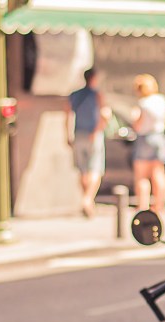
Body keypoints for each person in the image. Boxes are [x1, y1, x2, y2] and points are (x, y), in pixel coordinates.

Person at [66, 68, 109, 218]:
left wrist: (67, 134)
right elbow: (105, 114)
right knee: (95, 169)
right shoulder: (97, 94)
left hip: (79, 134)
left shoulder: (75, 95)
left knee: (83, 170)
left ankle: (88, 201)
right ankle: (88, 199)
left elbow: (68, 115)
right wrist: (97, 130)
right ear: (94, 78)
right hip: (93, 135)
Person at [132, 74, 165, 213]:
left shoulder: (142, 103)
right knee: (158, 173)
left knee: (142, 176)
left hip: (145, 138)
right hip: (159, 137)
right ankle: (159, 205)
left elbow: (137, 124)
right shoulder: (162, 100)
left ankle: (142, 206)